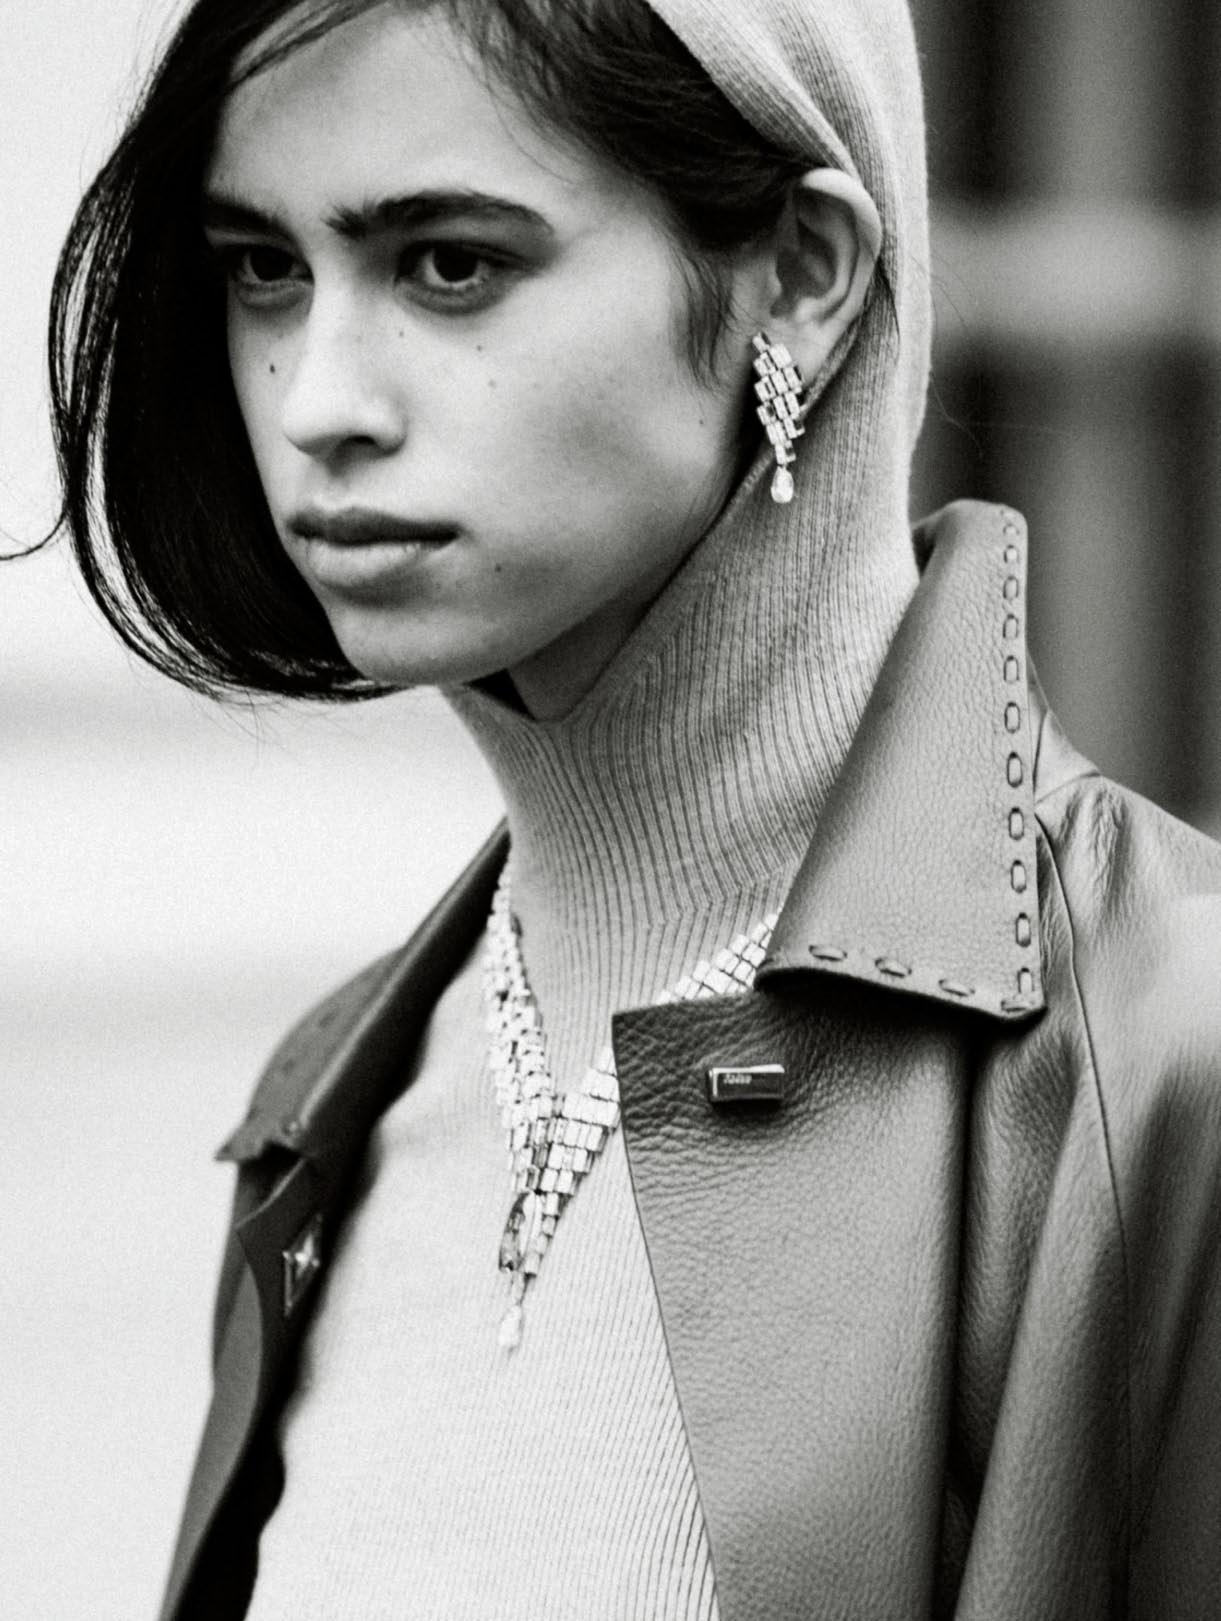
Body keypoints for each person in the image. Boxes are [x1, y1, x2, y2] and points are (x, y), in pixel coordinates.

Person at [48, 0, 1221, 1616]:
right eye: (265, 267)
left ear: (799, 275)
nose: (318, 398)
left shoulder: (1164, 1065)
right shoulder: (332, 1108)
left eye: (448, 264)